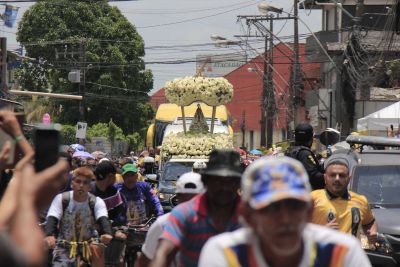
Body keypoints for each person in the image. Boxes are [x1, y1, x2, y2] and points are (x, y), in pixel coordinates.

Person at [199, 156, 372, 267]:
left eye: (294, 206)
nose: (285, 219)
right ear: (247, 216)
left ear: (308, 211)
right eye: (271, 208)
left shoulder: (341, 252)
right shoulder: (226, 254)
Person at [150, 149, 243, 267]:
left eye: (230, 181)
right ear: (205, 181)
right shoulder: (185, 213)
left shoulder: (251, 215)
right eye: (217, 181)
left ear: (239, 183)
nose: (224, 187)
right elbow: (163, 252)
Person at [44, 167, 113, 266]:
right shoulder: (62, 199)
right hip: (65, 246)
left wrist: (107, 233)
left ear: (90, 186)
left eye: (85, 183)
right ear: (72, 184)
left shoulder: (96, 201)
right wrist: (49, 235)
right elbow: (52, 217)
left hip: (89, 246)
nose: (81, 185)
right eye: (78, 181)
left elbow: (103, 218)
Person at [138, 171, 205, 267]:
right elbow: (145, 261)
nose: (189, 204)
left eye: (195, 199)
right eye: (185, 198)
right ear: (177, 198)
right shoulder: (163, 224)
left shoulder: (216, 223)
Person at [311, 153, 378, 241]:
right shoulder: (311, 199)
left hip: (351, 253)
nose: (337, 179)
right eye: (333, 175)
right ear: (325, 178)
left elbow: (370, 222)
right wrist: (321, 232)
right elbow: (296, 229)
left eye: (342, 175)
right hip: (321, 253)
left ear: (349, 179)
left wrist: (372, 232)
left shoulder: (361, 200)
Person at [285, 123, 325, 190]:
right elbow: (313, 175)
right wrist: (328, 177)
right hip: (307, 193)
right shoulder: (304, 153)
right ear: (311, 138)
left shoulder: (291, 151)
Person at [91, 161, 127, 226]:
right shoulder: (88, 192)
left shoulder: (114, 192)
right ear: (110, 176)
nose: (116, 178)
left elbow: (121, 215)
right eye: (115, 176)